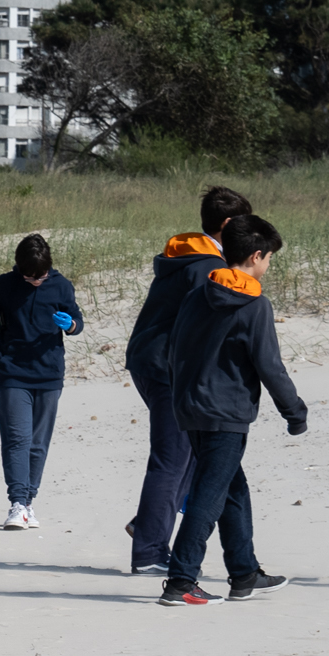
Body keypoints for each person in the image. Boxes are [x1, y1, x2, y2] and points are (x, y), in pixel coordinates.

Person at [159, 214, 306, 606]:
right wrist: (295, 412)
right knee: (208, 495)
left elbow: (174, 350)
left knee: (231, 487)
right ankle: (180, 580)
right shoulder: (254, 304)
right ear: (256, 256)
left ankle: (244, 573)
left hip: (190, 408)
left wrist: (183, 395)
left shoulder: (197, 292)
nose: (269, 265)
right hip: (225, 414)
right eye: (270, 258)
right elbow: (269, 366)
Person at [120, 186, 252, 576]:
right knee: (173, 458)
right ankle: (147, 552)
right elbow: (203, 328)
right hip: (165, 368)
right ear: (227, 225)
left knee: (192, 455)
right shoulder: (204, 267)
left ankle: (146, 525)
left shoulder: (186, 255)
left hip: (152, 361)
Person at [0, 233, 85, 530]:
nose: (35, 281)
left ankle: (29, 503)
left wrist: (69, 325)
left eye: (40, 276)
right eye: (29, 276)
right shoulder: (4, 284)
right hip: (12, 373)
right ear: (18, 268)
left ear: (49, 268)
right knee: (17, 440)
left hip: (49, 375)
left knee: (38, 445)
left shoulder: (61, 285)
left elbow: (77, 321)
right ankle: (17, 503)